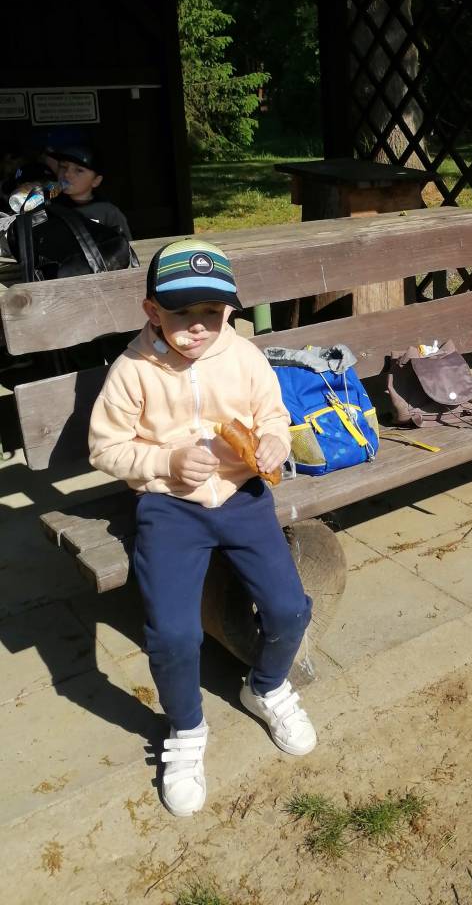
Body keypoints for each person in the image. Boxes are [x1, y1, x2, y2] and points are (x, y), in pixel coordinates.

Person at [88, 239, 315, 817]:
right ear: (152, 311)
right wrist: (165, 462)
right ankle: (186, 727)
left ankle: (265, 687)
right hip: (169, 507)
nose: (197, 327)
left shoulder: (244, 357)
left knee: (290, 609)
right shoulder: (133, 371)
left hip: (242, 496)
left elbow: (272, 415)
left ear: (229, 311)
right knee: (172, 634)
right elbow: (105, 448)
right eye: (180, 312)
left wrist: (273, 440)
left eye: (211, 313)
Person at [50, 140, 132, 241]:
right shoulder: (50, 206)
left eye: (79, 170)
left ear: (96, 181)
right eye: (63, 167)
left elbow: (125, 246)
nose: (67, 174)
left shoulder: (108, 212)